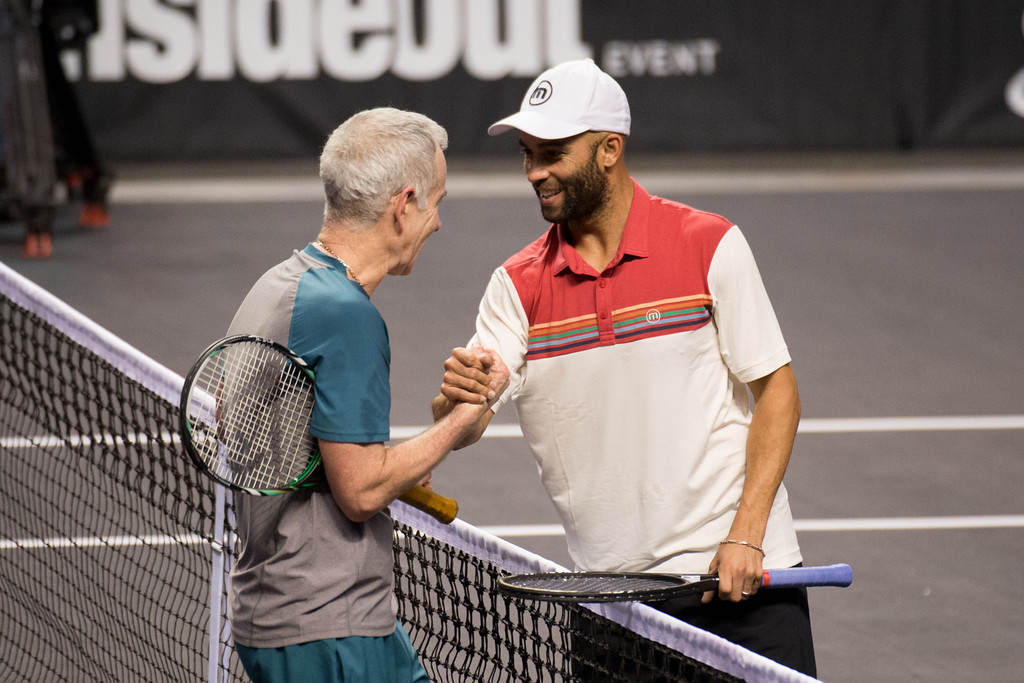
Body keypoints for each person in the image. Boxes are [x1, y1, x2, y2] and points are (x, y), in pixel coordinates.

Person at [432, 59, 816, 675]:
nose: (536, 172)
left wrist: (747, 535)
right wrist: (458, 399)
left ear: (610, 148)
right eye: (528, 154)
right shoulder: (516, 285)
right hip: (612, 601)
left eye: (553, 153)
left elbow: (778, 393)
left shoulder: (708, 243)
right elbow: (468, 414)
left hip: (738, 580)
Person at [226, 107, 509, 683]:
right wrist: (463, 419)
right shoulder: (345, 316)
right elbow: (360, 491)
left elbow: (319, 453)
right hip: (328, 627)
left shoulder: (282, 285)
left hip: (292, 613)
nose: (438, 222)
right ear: (404, 205)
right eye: (437, 202)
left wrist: (402, 467)